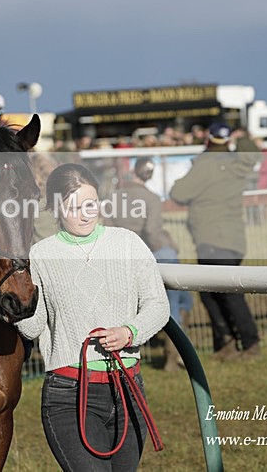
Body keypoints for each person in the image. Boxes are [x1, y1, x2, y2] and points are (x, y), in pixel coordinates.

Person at [16, 163, 169, 470]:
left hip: (128, 388)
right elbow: (33, 328)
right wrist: (14, 306)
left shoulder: (127, 243)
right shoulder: (40, 256)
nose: (86, 213)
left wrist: (130, 331)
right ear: (56, 207)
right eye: (74, 207)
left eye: (91, 204)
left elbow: (158, 305)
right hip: (69, 395)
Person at [169, 122, 262, 361]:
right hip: (231, 238)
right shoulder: (237, 163)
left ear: (208, 139)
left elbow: (179, 193)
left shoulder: (207, 164)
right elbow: (252, 152)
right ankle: (230, 344)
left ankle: (248, 344)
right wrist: (242, 137)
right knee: (216, 292)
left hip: (212, 238)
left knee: (223, 294)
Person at [108, 156, 193, 371]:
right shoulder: (152, 198)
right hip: (147, 254)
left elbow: (108, 226)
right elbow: (153, 234)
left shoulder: (114, 197)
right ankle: (175, 356)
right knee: (177, 298)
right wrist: (170, 243)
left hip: (121, 256)